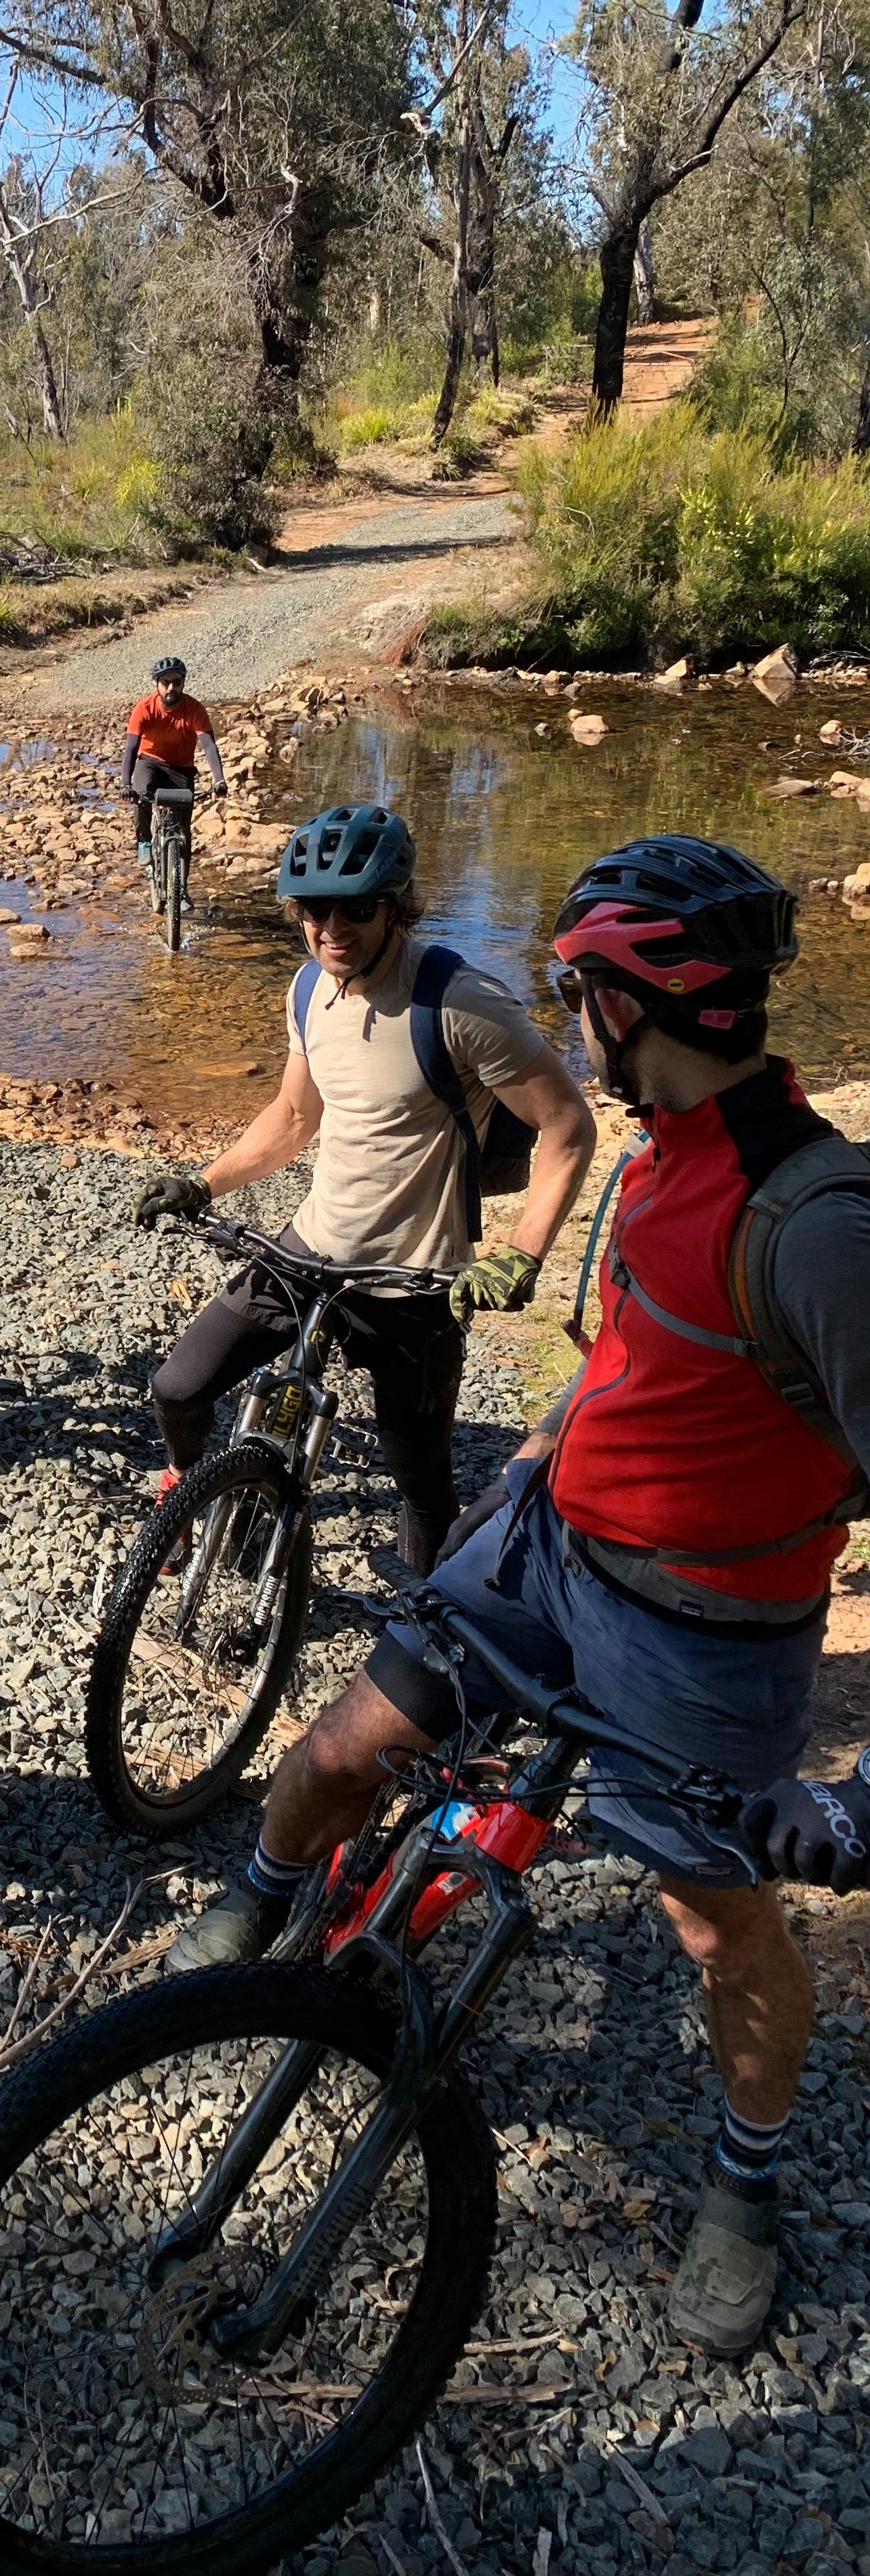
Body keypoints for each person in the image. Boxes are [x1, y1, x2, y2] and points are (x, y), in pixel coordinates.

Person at [165, 833, 870, 2359]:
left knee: (720, 1928)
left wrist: (865, 1787)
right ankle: (269, 1896)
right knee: (341, 1753)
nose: (572, 1015)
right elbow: (639, 1358)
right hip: (548, 1546)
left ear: (626, 1005)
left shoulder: (818, 1222)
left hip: (700, 1626)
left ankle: (746, 2189)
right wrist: (543, 1447)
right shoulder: (672, 1147)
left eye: (581, 991)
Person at [136, 802, 595, 1573]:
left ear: (398, 905)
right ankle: (185, 1488)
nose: (332, 927)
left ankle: (428, 1638)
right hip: (309, 1247)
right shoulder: (309, 990)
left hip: (413, 1280)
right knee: (179, 1386)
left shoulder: (460, 1003)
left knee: (420, 1481)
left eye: (358, 907)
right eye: (314, 910)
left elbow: (568, 1127)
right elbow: (291, 1117)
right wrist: (201, 1183)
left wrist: (522, 1252)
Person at [121, 655, 227, 870]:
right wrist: (125, 784)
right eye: (165, 683)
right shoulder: (144, 709)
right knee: (141, 798)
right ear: (157, 685)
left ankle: (182, 891)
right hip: (150, 762)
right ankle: (143, 842)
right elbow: (132, 748)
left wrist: (219, 780)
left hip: (182, 769)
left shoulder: (195, 709)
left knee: (184, 834)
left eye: (176, 683)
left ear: (183, 684)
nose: (171, 688)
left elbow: (208, 745)